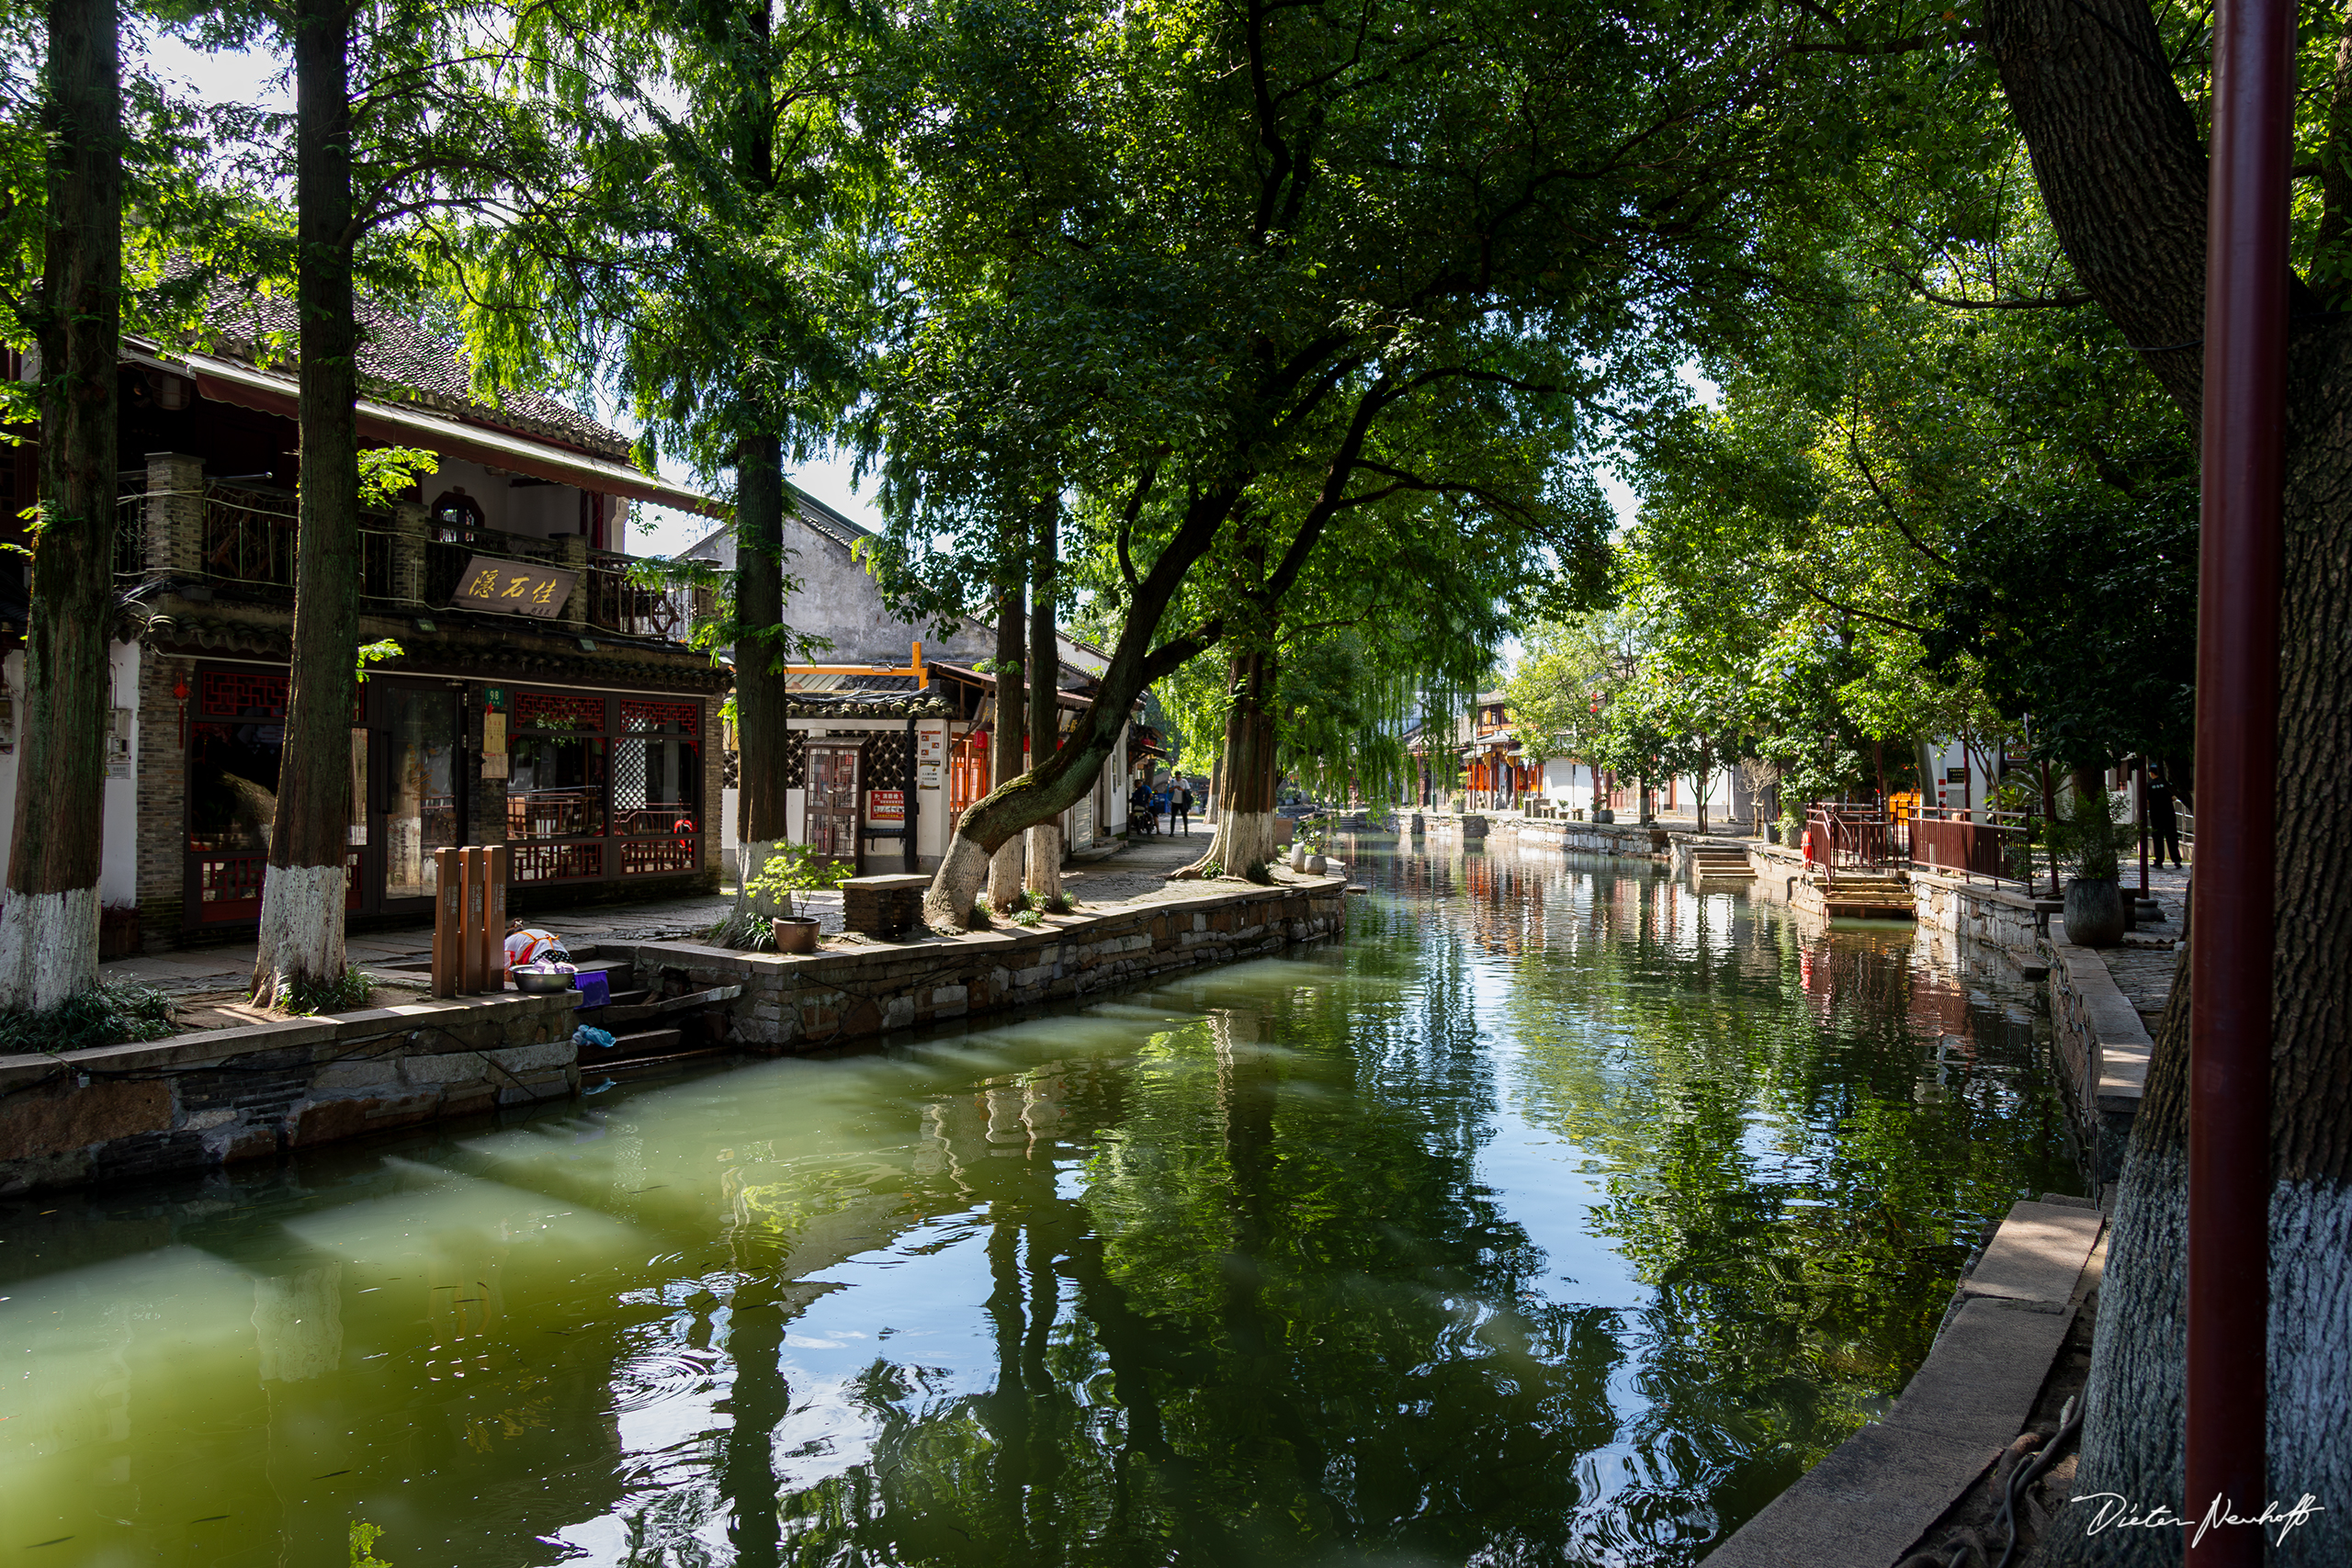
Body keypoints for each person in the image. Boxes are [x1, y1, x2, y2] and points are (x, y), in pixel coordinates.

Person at [2146, 765, 2184, 868]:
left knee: (2158, 838)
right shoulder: (2168, 784)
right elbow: (2174, 798)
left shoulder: (2150, 786)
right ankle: (2176, 860)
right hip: (2169, 813)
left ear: (2151, 773)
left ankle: (2159, 861)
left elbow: (2148, 801)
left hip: (2156, 814)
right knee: (2172, 836)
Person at [504, 919, 571, 976]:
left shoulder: (508, 941)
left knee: (541, 984)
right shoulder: (530, 933)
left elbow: (506, 970)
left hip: (544, 957)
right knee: (565, 982)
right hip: (564, 955)